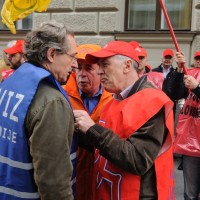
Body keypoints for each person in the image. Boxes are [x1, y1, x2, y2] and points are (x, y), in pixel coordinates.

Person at [73, 41, 175, 200]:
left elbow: (137, 160)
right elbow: (102, 147)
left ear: (127, 66)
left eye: (105, 64)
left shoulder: (152, 101)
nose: (99, 72)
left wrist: (93, 129)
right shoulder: (116, 99)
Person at [0, 20, 78, 200]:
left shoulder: (11, 83)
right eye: (72, 56)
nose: (74, 65)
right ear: (51, 54)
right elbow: (54, 184)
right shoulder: (51, 101)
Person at [63, 43, 112, 200]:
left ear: (100, 70)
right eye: (78, 67)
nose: (81, 74)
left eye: (88, 68)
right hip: (70, 178)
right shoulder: (62, 96)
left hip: (102, 180)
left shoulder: (114, 98)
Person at [172, 51, 200, 200]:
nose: (199, 61)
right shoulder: (191, 74)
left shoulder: (195, 81)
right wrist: (179, 70)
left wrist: (197, 88)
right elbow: (173, 93)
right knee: (190, 194)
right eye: (197, 58)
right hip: (191, 144)